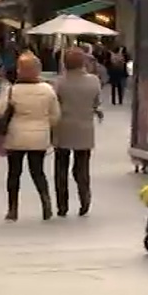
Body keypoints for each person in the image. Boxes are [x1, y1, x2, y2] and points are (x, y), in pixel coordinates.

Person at [0, 53, 61, 221]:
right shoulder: (47, 90)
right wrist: (44, 124)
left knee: (14, 173)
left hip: (16, 137)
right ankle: (46, 204)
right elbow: (55, 116)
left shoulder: (12, 91)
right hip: (39, 137)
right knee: (38, 172)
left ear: (19, 71)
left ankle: (13, 209)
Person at [52, 48, 103, 217]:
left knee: (61, 169)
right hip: (85, 129)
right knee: (82, 168)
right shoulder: (94, 81)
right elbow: (96, 103)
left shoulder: (59, 82)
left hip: (63, 129)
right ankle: (84, 199)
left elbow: (54, 105)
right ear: (83, 62)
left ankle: (62, 206)